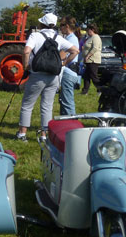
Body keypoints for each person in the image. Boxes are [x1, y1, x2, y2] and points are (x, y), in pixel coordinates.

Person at [16, 13, 78, 141]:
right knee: (47, 106)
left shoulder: (35, 35)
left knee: (27, 104)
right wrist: (64, 63)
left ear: (41, 24)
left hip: (37, 75)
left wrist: (26, 65)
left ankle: (22, 134)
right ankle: (44, 135)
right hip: (53, 77)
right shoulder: (58, 37)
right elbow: (75, 51)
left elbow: (26, 51)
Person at [58, 16, 81, 116]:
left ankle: (72, 125)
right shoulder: (70, 38)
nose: (60, 28)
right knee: (63, 101)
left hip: (68, 73)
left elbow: (64, 55)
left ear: (67, 26)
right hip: (69, 72)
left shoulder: (71, 39)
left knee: (67, 102)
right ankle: (64, 124)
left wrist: (64, 63)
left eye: (61, 26)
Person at [80, 23, 102, 95]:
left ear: (92, 30)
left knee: (94, 76)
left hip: (93, 60)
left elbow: (95, 48)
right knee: (86, 76)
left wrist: (88, 56)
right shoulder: (90, 37)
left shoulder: (96, 37)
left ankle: (100, 90)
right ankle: (84, 91)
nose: (87, 31)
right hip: (88, 60)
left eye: (88, 30)